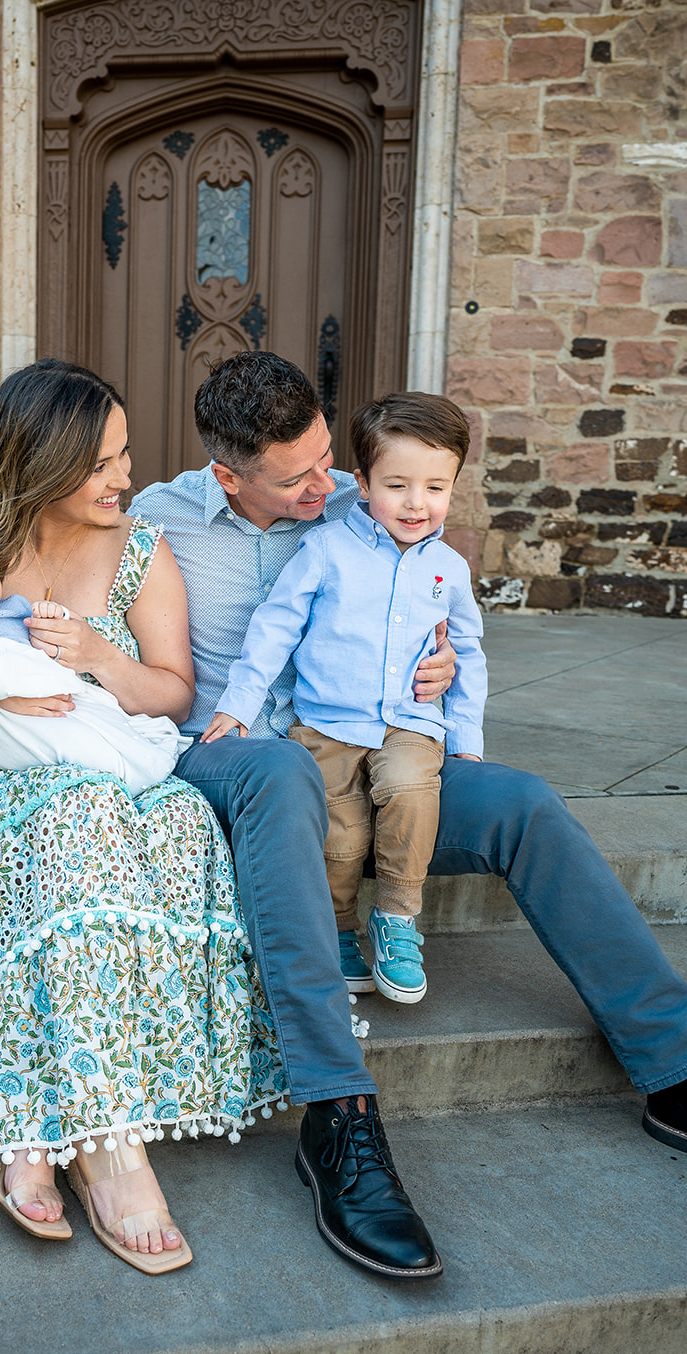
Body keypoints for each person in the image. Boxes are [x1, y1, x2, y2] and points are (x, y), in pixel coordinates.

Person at [129, 350, 687, 1271]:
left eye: (328, 459)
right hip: (240, 768)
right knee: (279, 771)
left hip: (375, 756)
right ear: (230, 476)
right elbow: (12, 527)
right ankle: (336, 1112)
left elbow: (436, 615)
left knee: (521, 802)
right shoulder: (155, 518)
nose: (328, 485)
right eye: (297, 477)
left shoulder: (370, 502)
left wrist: (433, 670)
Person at [0, 361, 286, 1275]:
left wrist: (96, 655)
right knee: (72, 818)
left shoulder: (141, 549)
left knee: (150, 823)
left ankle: (29, 1119)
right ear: (41, 462)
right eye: (99, 463)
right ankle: (111, 1152)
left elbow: (172, 694)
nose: (123, 477)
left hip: (115, 763)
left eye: (123, 455)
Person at [203, 392, 487, 1006]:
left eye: (436, 488)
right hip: (327, 724)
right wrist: (239, 705)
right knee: (339, 833)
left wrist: (465, 736)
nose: (416, 503)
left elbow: (467, 651)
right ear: (361, 483)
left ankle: (398, 917)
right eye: (397, 485)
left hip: (409, 721)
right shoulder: (327, 548)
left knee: (412, 791)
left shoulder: (449, 569)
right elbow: (275, 627)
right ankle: (337, 928)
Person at [0, 523, 190, 794]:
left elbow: (46, 638)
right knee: (78, 746)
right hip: (13, 721)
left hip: (58, 698)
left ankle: (133, 762)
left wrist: (55, 616)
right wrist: (6, 688)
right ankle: (124, 773)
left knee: (104, 725)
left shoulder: (13, 608)